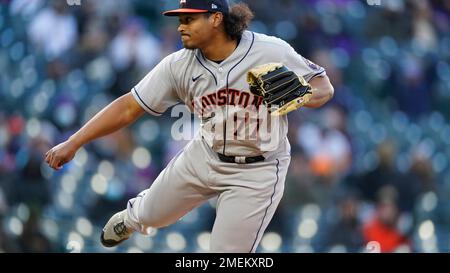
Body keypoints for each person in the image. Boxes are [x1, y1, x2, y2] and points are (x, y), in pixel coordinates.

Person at [45, 0, 334, 252]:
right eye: (181, 20)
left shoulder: (270, 50)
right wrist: (74, 142)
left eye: (189, 19)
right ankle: (132, 218)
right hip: (205, 154)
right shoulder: (178, 65)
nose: (181, 27)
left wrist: (303, 96)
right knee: (151, 214)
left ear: (216, 19)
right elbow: (128, 106)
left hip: (258, 171)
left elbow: (324, 86)